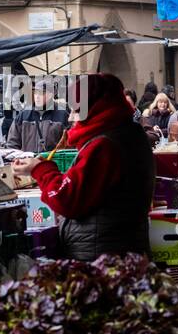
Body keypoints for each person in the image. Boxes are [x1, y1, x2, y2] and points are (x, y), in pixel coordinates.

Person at [12, 74, 154, 261]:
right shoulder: (128, 134)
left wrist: (40, 169)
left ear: (95, 109)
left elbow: (66, 199)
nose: (71, 117)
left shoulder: (105, 146)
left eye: (76, 111)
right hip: (117, 248)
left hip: (102, 255)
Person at [6, 80, 69, 153]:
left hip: (52, 162)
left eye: (41, 93)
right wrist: (16, 158)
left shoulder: (63, 115)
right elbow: (12, 143)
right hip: (28, 162)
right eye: (36, 93)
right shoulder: (23, 114)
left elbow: (69, 143)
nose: (37, 96)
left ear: (51, 95)